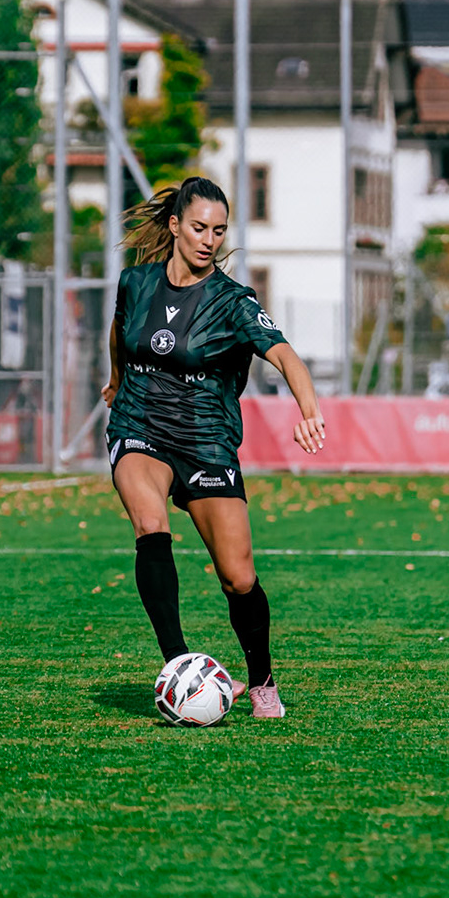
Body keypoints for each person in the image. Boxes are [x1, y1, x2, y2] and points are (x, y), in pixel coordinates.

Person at [102, 176, 326, 718]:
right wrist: (114, 380)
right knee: (150, 525)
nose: (209, 239)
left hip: (207, 442)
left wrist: (309, 409)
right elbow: (119, 332)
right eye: (199, 227)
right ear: (176, 225)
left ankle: (262, 680)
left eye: (219, 231)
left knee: (238, 576)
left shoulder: (232, 302)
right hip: (139, 426)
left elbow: (287, 356)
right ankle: (179, 667)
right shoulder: (135, 283)